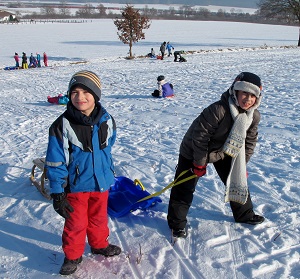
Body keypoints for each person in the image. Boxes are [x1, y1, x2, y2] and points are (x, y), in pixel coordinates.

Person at [167, 72, 265, 238]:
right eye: (244, 94)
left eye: (252, 96)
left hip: (224, 151)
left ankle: (244, 214)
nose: (248, 99)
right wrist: (199, 163)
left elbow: (249, 142)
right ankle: (176, 224)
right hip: (194, 150)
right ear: (235, 92)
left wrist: (242, 165)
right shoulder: (219, 109)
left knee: (237, 180)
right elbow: (199, 137)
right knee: (184, 187)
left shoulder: (253, 116)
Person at [45, 70, 121, 275]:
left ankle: (99, 244)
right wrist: (57, 191)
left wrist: (106, 171)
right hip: (76, 186)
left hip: (101, 182)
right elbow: (55, 160)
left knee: (98, 218)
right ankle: (72, 255)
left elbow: (109, 146)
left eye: (86, 92)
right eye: (75, 92)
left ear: (95, 94)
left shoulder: (107, 120)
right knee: (76, 223)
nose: (80, 98)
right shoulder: (62, 125)